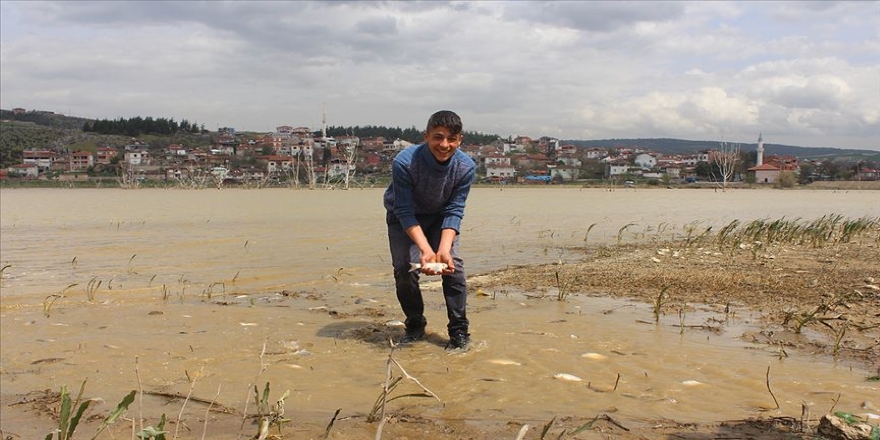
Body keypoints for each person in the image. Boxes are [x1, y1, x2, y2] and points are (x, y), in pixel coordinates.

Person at [383, 110, 476, 350]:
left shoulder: (466, 167)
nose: (444, 145)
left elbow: (455, 210)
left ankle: (459, 330)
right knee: (404, 269)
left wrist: (443, 250)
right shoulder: (404, 162)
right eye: (438, 137)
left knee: (454, 268)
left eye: (451, 138)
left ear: (460, 140)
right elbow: (404, 210)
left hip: (440, 217)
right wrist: (425, 250)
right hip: (403, 216)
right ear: (426, 136)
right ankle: (415, 323)